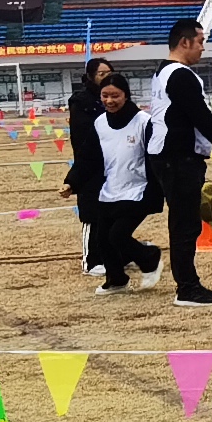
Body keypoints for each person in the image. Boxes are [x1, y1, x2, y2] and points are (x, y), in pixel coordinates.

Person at [146, 17, 212, 306]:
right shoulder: (181, 75)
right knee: (185, 224)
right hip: (177, 157)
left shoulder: (163, 72)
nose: (203, 47)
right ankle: (187, 288)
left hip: (168, 155)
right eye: (201, 41)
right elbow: (201, 116)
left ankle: (189, 284)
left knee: (185, 222)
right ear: (184, 42)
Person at [75, 73, 163, 291]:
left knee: (118, 235)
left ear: (126, 95)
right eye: (105, 96)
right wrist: (72, 182)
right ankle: (116, 280)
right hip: (110, 189)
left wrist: (158, 189)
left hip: (138, 189)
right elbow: (89, 157)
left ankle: (149, 257)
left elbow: (156, 157)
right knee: (103, 239)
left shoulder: (144, 122)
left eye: (115, 96)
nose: (109, 101)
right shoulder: (99, 123)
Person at [63, 54, 116, 279]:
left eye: (109, 73)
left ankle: (114, 256)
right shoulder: (81, 102)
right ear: (91, 76)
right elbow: (82, 139)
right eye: (101, 74)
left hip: (114, 164)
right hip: (91, 164)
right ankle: (91, 260)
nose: (106, 77)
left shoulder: (116, 98)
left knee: (114, 213)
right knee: (92, 214)